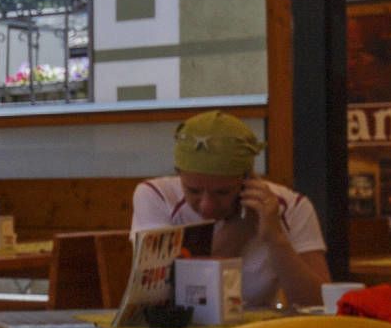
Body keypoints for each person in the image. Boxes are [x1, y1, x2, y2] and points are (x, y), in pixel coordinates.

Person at [131, 110, 329, 310]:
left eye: (222, 192)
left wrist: (276, 238)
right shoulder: (157, 196)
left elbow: (319, 305)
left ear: (247, 179)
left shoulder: (291, 207)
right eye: (193, 191)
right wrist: (240, 228)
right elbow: (161, 296)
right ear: (178, 174)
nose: (207, 205)